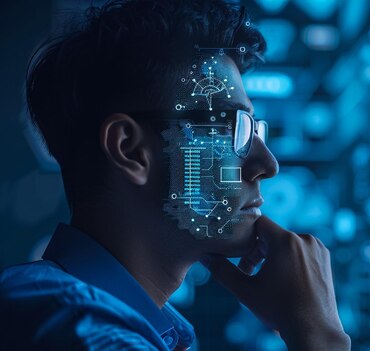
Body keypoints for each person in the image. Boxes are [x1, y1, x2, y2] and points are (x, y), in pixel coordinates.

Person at [0, 1, 351, 350]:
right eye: (231, 129)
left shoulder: (121, 322)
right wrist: (320, 337)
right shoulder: (79, 326)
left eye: (254, 130)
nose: (268, 164)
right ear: (131, 150)